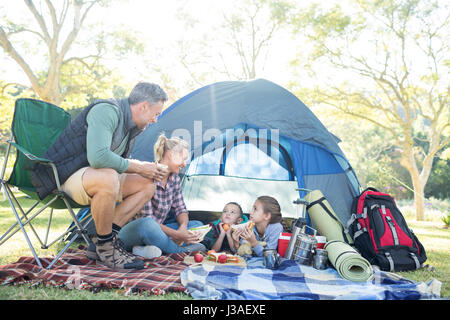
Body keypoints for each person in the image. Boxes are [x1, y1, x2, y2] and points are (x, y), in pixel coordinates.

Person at [30, 82, 168, 270]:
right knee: (108, 177)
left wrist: (144, 168)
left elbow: (115, 163)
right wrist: (137, 166)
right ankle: (106, 245)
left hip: (91, 177)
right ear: (144, 106)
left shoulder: (131, 128)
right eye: (156, 113)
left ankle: (103, 241)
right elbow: (98, 157)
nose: (155, 120)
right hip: (62, 176)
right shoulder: (107, 111)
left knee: (146, 184)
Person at [118, 134, 206, 256]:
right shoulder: (147, 175)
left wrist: (183, 228)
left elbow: (180, 209)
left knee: (197, 225)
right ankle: (178, 251)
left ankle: (149, 249)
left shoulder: (174, 179)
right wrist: (176, 235)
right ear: (171, 154)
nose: (185, 164)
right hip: (135, 231)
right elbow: (148, 219)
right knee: (148, 225)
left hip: (158, 230)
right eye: (183, 159)